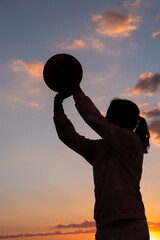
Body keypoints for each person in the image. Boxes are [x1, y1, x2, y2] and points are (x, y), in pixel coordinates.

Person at [53, 85, 150, 240]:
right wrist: (58, 106)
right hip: (105, 227)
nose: (105, 117)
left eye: (109, 114)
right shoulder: (99, 149)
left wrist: (77, 91)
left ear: (120, 119)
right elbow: (69, 137)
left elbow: (95, 120)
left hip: (131, 226)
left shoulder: (132, 141)